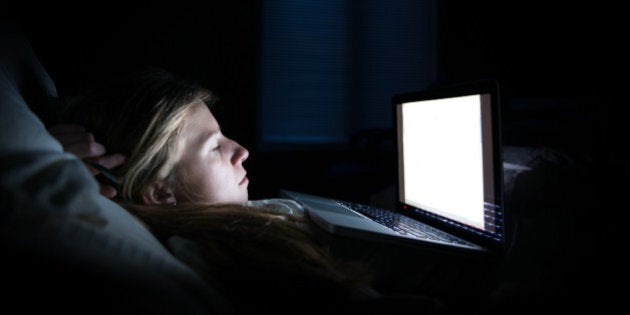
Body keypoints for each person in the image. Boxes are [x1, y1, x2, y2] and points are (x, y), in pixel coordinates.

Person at [50, 68, 447, 314]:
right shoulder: (230, 247)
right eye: (214, 146)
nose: (241, 151)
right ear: (160, 193)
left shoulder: (231, 228)